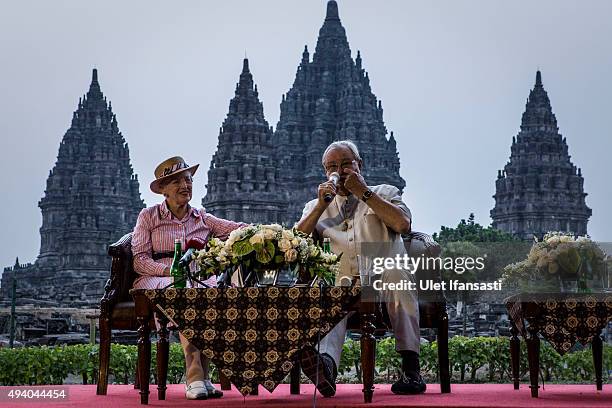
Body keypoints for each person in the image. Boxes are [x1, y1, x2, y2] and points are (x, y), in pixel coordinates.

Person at [296, 140, 426, 396]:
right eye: (332, 166)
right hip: (342, 280)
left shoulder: (385, 192)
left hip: (383, 276)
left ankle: (411, 369)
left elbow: (403, 225)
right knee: (331, 291)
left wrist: (364, 192)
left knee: (397, 273)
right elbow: (295, 243)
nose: (339, 170)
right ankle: (326, 367)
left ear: (359, 165)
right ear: (325, 172)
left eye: (346, 164)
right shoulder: (315, 206)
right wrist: (322, 205)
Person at [132, 156, 246, 400]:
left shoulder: (202, 217)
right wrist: (170, 271)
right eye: (176, 181)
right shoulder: (149, 216)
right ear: (163, 189)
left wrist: (261, 234)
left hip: (196, 278)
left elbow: (238, 229)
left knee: (210, 293)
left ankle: (204, 377)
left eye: (188, 180)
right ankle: (194, 374)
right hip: (158, 276)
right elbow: (139, 260)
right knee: (185, 292)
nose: (185, 186)